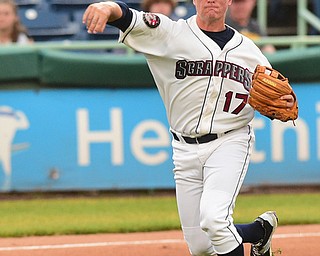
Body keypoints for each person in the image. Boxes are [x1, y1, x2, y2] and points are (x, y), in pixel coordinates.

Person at [82, 1, 295, 256]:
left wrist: (288, 101)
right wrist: (107, 7)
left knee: (214, 220)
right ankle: (259, 232)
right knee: (201, 247)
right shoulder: (170, 33)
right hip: (183, 148)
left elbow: (280, 97)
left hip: (230, 141)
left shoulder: (249, 52)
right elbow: (130, 18)